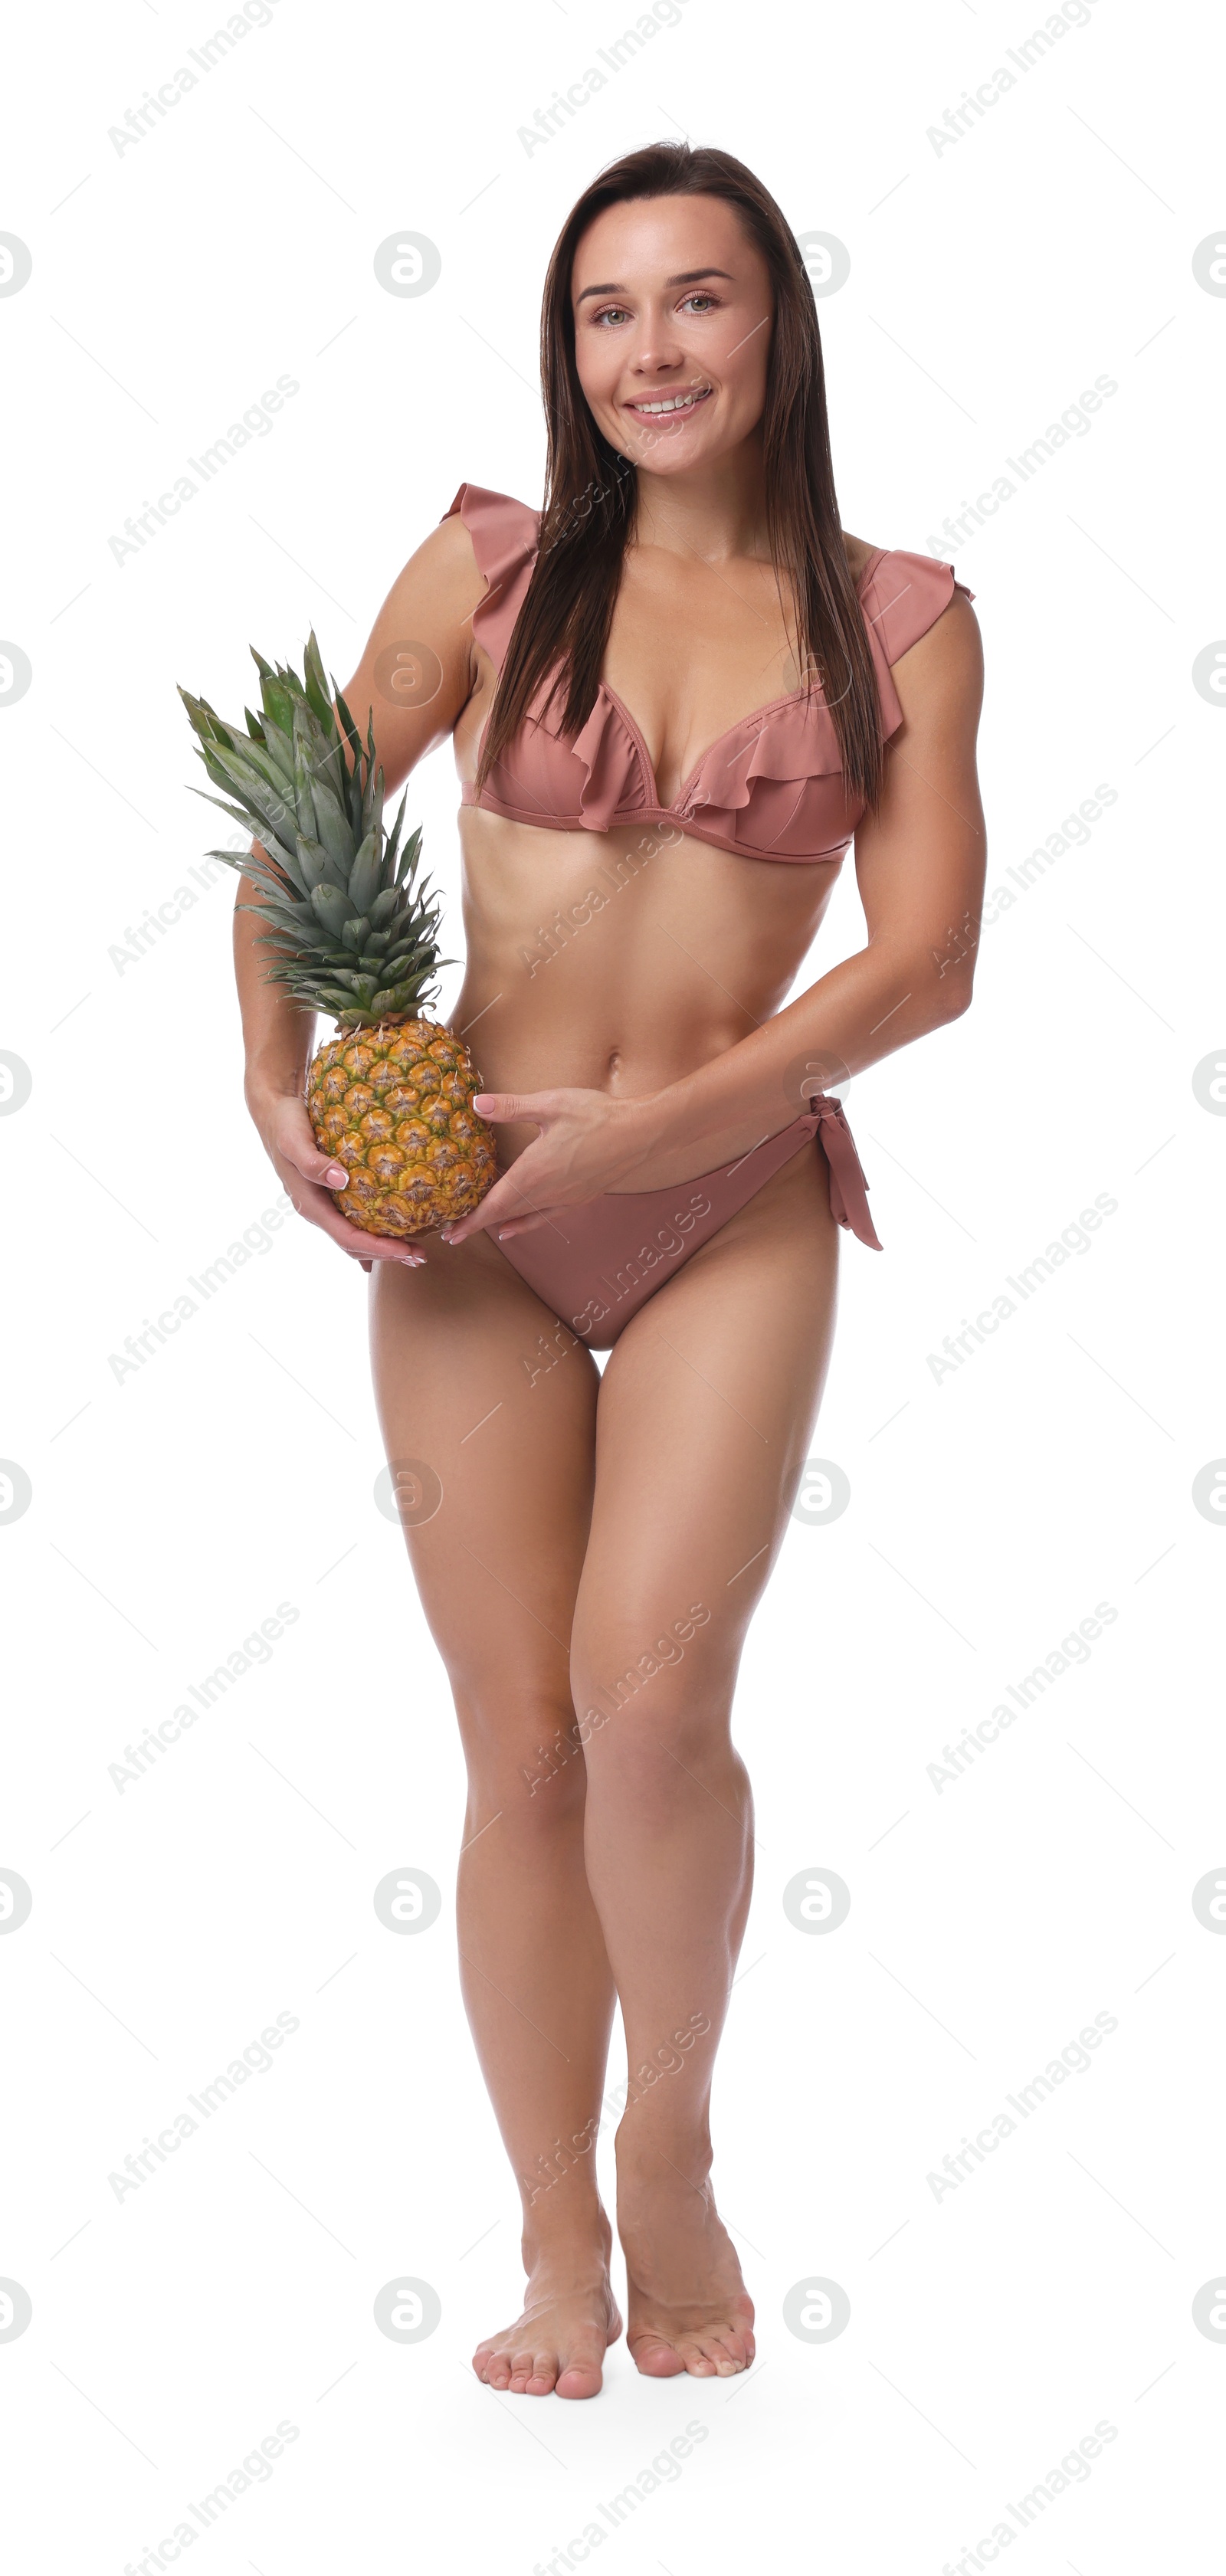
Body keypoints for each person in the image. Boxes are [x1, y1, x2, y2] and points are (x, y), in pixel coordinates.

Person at [234, 142, 985, 2400]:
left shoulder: (900, 615)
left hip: (725, 1200)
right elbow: (295, 806)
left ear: (778, 326)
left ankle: (669, 2141)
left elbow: (930, 962)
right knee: (529, 1744)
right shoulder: (484, 569)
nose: (650, 350)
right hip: (463, 1209)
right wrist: (273, 1083)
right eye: (603, 312)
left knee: (660, 1706)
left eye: (699, 300)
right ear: (566, 351)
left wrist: (671, 1124)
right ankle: (554, 2236)